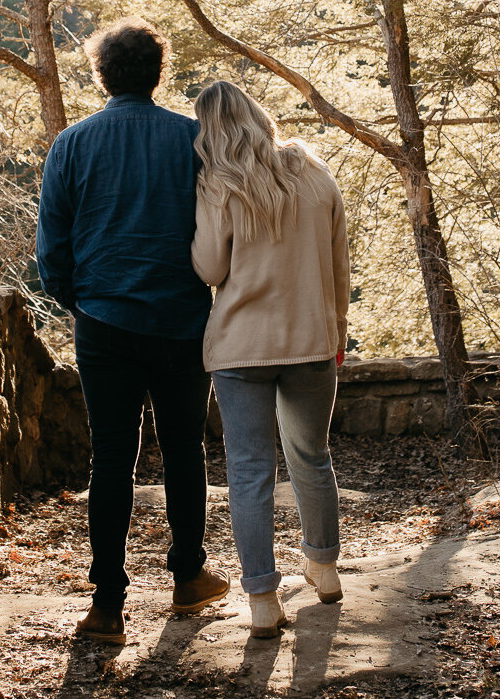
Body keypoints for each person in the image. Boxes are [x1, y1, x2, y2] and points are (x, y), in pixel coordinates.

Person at [36, 18, 230, 644]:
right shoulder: (194, 139)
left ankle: (108, 606)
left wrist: (82, 303)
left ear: (102, 75)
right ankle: (188, 577)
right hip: (180, 321)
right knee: (183, 450)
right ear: (157, 73)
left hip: (103, 322)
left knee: (112, 458)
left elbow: (52, 250)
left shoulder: (71, 144)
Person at [191, 79, 350, 640]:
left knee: (250, 472)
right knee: (312, 456)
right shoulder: (313, 170)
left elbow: (210, 269)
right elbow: (338, 261)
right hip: (311, 341)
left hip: (242, 349)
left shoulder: (218, 186)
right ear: (260, 116)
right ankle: (324, 569)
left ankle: (262, 598)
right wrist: (338, 333)